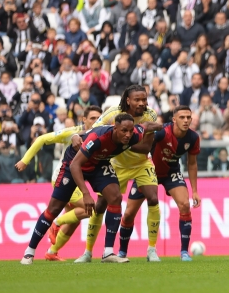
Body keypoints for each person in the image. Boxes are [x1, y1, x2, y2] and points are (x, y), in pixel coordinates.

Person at [19, 113, 161, 265]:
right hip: (74, 165)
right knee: (53, 209)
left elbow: (145, 126)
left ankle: (107, 253)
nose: (127, 135)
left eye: (130, 131)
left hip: (99, 164)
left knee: (115, 198)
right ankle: (29, 252)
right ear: (115, 128)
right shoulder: (98, 138)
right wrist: (86, 194)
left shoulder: (135, 134)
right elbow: (75, 165)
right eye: (124, 131)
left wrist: (161, 126)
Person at [54, 85, 160, 263]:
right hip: (116, 163)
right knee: (101, 204)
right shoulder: (113, 113)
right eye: (137, 100)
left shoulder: (151, 115)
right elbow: (93, 132)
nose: (142, 103)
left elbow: (146, 148)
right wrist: (76, 136)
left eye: (144, 99)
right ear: (128, 100)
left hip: (141, 163)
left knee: (154, 198)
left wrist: (119, 141)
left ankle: (151, 250)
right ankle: (88, 252)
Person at [14, 106, 103, 261]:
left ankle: (52, 252)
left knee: (74, 220)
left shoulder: (102, 134)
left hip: (80, 179)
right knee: (91, 209)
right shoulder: (73, 133)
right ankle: (56, 222)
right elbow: (42, 139)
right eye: (92, 118)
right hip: (64, 178)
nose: (96, 122)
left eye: (98, 118)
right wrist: (24, 160)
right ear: (84, 119)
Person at [119, 106, 200, 262]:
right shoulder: (162, 133)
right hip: (149, 172)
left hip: (171, 173)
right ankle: (122, 252)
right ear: (174, 119)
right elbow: (144, 144)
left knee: (184, 204)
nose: (186, 120)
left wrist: (195, 190)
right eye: (182, 117)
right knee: (129, 213)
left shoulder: (193, 137)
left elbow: (192, 164)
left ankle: (184, 252)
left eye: (188, 117)